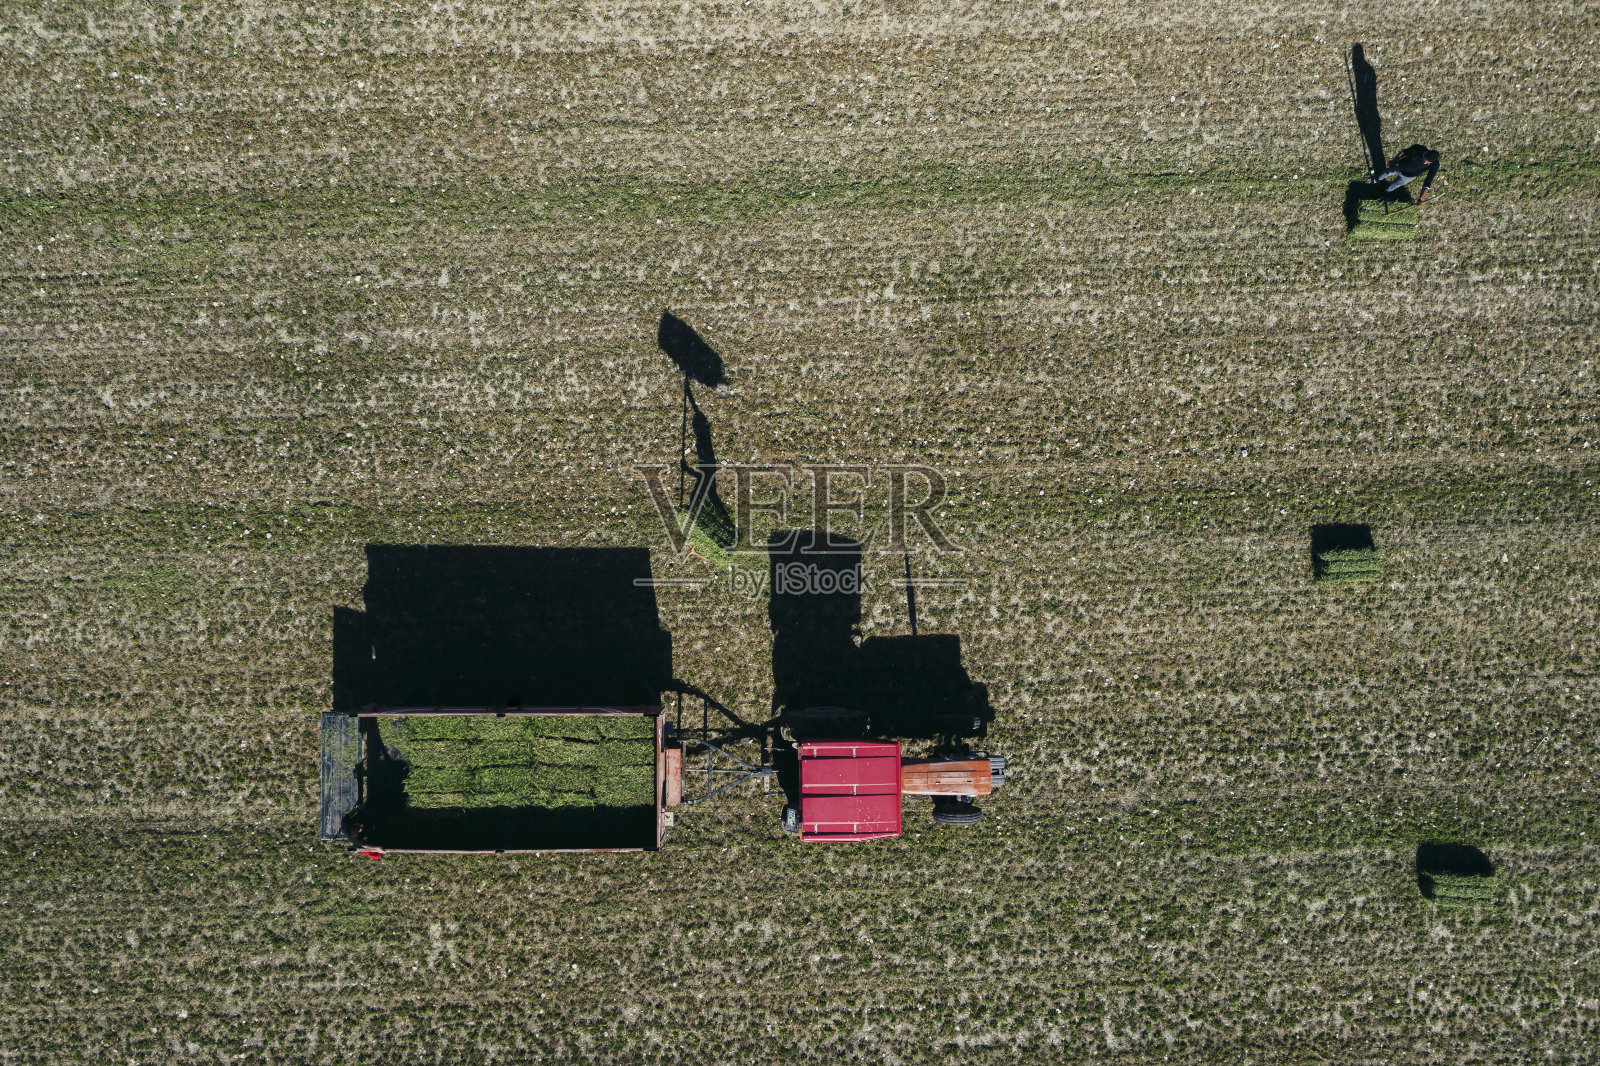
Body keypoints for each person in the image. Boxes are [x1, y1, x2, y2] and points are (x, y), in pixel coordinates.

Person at [1373, 145, 1440, 201]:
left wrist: (1421, 198)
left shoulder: (1435, 165)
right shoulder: (1418, 148)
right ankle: (1377, 179)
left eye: (1427, 162)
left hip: (1409, 176)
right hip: (1399, 166)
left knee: (1396, 184)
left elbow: (1428, 180)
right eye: (1425, 159)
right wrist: (1394, 160)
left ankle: (1385, 192)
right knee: (1387, 172)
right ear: (1427, 153)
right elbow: (1404, 152)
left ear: (1432, 162)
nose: (1424, 162)